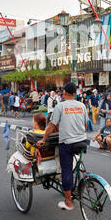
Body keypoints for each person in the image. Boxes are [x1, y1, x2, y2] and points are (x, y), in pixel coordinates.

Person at [37, 82, 88, 211]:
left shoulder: (61, 106)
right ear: (75, 94)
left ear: (64, 93)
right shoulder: (82, 105)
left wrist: (43, 139)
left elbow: (52, 125)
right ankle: (79, 174)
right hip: (82, 140)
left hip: (67, 143)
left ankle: (69, 202)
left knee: (66, 171)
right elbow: (85, 126)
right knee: (73, 163)